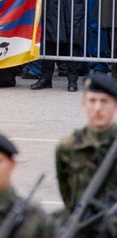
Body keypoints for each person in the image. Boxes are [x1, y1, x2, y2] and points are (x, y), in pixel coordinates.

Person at [56, 75, 117, 235]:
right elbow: (68, 197)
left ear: (115, 104)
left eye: (104, 101)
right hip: (82, 228)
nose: (98, 108)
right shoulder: (67, 148)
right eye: (92, 100)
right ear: (83, 104)